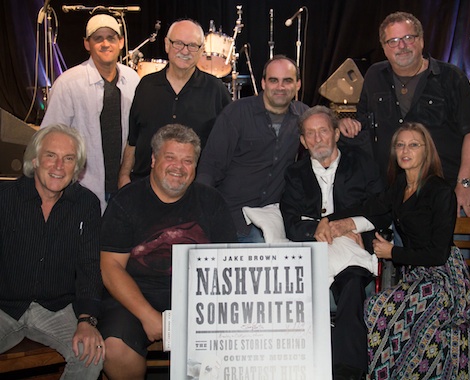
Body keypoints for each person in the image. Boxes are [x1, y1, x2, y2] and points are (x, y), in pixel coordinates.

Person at [318, 123, 470, 379]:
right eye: (400, 145)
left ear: (426, 151)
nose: (405, 150)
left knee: (383, 308)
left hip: (444, 281)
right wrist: (328, 219)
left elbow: (438, 254)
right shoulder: (401, 187)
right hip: (416, 277)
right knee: (374, 308)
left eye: (414, 145)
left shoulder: (440, 190)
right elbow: (368, 205)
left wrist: (392, 253)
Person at [99, 124, 236, 379]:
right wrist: (148, 316)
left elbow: (226, 265)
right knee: (115, 348)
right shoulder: (125, 202)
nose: (178, 167)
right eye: (170, 158)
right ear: (153, 160)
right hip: (136, 296)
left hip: (197, 300)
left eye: (187, 161)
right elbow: (110, 268)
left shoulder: (212, 202)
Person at [339, 11, 470, 218]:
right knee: (401, 251)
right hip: (395, 195)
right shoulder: (373, 76)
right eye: (393, 41)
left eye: (408, 38)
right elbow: (364, 120)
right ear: (384, 48)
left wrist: (464, 183)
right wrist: (347, 124)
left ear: (421, 41)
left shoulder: (451, 77)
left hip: (445, 193)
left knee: (452, 251)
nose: (402, 46)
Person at [280, 106, 386, 379]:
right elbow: (291, 222)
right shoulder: (295, 173)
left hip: (352, 247)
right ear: (303, 141)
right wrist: (320, 227)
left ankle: (347, 371)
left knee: (351, 284)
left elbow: (382, 208)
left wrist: (347, 224)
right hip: (310, 249)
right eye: (310, 134)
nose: (317, 139)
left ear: (337, 134)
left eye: (323, 131)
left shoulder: (362, 163)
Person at [0, 124, 104, 378]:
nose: (59, 166)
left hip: (56, 308)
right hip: (4, 306)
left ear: (76, 167)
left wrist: (87, 320)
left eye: (68, 159)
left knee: (91, 356)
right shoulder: (5, 198)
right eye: (50, 156)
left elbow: (90, 266)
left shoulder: (87, 205)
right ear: (34, 160)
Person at [196, 55, 309, 242]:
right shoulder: (237, 113)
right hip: (234, 215)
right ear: (263, 83)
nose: (280, 87)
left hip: (274, 217)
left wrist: (345, 123)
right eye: (274, 80)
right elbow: (210, 167)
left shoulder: (303, 116)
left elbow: (328, 130)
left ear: (298, 85)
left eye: (287, 81)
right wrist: (202, 216)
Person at [41, 14, 140, 211]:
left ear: (121, 42)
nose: (105, 44)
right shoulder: (68, 83)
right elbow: (48, 139)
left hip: (122, 189)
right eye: (98, 38)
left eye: (111, 38)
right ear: (87, 44)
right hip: (80, 190)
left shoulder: (133, 79)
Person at [119, 19, 231, 186]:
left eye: (192, 45)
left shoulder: (216, 90)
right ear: (166, 44)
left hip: (195, 192)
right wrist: (123, 176)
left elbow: (227, 146)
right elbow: (133, 140)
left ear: (201, 50)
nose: (185, 51)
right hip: (145, 188)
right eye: (178, 43)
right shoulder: (146, 85)